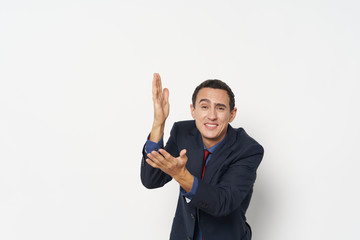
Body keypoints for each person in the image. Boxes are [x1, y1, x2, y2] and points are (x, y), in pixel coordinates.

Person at [141, 73, 264, 240]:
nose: (211, 115)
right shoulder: (183, 133)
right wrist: (158, 123)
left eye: (220, 108)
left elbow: (223, 202)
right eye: (204, 107)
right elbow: (151, 179)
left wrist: (180, 175)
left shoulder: (248, 149)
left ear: (232, 114)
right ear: (193, 110)